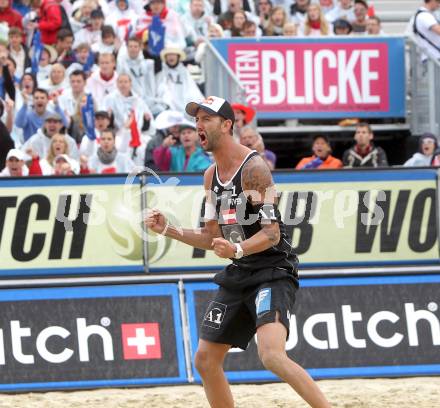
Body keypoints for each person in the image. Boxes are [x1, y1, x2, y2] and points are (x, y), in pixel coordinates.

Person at [144, 96, 332, 408]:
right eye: (196, 120)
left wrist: (238, 248)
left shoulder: (254, 168)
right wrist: (168, 229)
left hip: (272, 269)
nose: (198, 125)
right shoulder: (210, 177)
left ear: (227, 125)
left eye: (206, 119)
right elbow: (210, 237)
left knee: (271, 355)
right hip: (240, 271)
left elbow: (272, 233)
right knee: (205, 360)